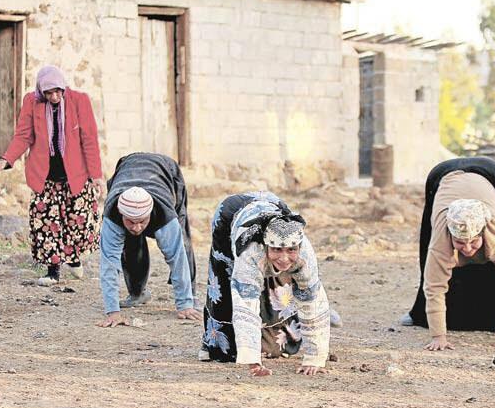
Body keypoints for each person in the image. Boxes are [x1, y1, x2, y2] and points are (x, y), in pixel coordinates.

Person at [0, 65, 103, 286]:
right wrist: (6, 160)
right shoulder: (32, 102)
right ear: (41, 91)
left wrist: (96, 174)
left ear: (63, 87)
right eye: (49, 92)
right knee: (47, 222)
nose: (55, 96)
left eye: (58, 91)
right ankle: (53, 271)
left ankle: (74, 258)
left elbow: (89, 139)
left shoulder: (80, 100)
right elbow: (23, 136)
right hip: (45, 175)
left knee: (75, 222)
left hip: (75, 175)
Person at [400, 157, 495, 351]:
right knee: (429, 261)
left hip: (490, 172)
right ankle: (420, 312)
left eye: (473, 242)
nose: (467, 249)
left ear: (483, 233)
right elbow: (435, 288)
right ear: (451, 235)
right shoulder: (441, 242)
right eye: (459, 242)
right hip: (442, 173)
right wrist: (438, 336)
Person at [200, 192, 330, 376]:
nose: (284, 258)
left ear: (299, 247)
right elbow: (245, 304)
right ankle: (212, 343)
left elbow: (312, 300)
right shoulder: (251, 252)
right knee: (225, 292)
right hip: (230, 215)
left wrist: (315, 358)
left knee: (281, 300)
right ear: (266, 246)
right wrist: (253, 360)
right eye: (277, 249)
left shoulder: (305, 255)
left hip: (273, 204)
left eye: (291, 250)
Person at [96, 152, 200, 328]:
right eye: (130, 221)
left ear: (150, 215)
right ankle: (137, 293)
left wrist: (184, 304)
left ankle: (189, 297)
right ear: (121, 214)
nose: (137, 227)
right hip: (127, 166)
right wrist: (112, 312)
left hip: (165, 170)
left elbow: (177, 257)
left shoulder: (165, 217)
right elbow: (109, 265)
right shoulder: (112, 216)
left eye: (141, 222)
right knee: (131, 240)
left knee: (181, 242)